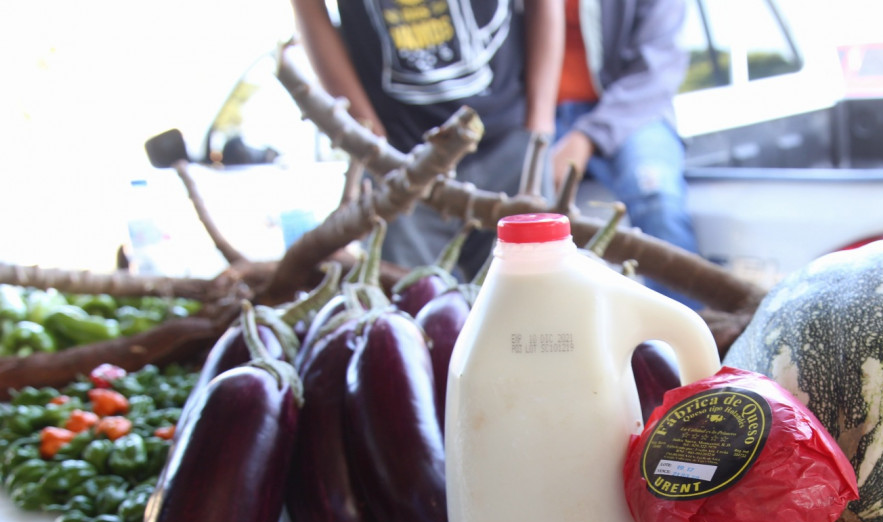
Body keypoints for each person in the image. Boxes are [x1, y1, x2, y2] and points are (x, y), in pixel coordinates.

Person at [291, 0, 564, 274]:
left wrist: (539, 120)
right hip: (396, 158)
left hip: (513, 141)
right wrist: (371, 139)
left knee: (537, 285)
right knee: (405, 295)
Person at [549, 0, 701, 307]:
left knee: (656, 198)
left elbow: (658, 66)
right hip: (540, 111)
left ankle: (683, 328)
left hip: (633, 108)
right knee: (513, 213)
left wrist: (587, 135)